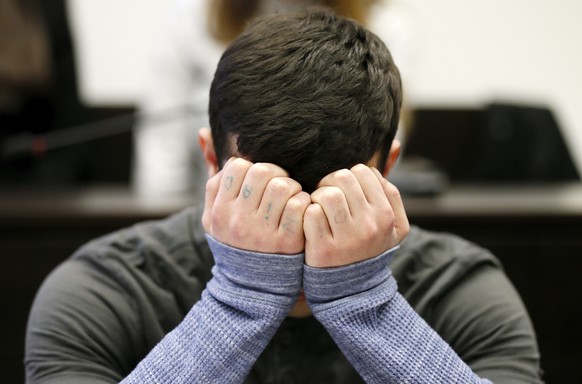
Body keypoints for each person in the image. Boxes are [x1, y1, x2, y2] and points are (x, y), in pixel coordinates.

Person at [25, 9, 543, 383]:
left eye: (329, 204)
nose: (297, 240)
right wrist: (240, 298)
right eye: (263, 196)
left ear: (389, 168)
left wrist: (363, 302)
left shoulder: (460, 289)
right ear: (211, 159)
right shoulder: (103, 289)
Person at [132, 0, 417, 200]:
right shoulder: (194, 14)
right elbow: (162, 142)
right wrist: (172, 231)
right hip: (209, 214)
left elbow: (377, 143)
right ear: (210, 155)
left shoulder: (385, 20)